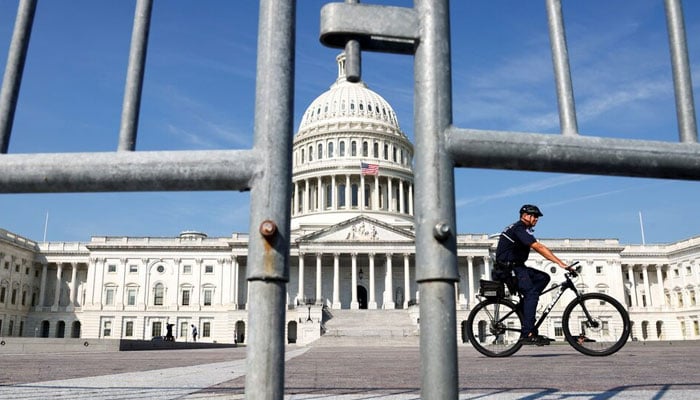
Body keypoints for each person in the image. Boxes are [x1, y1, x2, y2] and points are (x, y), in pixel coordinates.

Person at [495, 204, 571, 346]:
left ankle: (525, 310)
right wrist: (560, 263)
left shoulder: (521, 229)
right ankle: (527, 333)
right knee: (532, 294)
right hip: (509, 269)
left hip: (517, 267)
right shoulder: (519, 228)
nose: (536, 219)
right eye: (534, 216)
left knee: (544, 278)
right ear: (525, 216)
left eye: (537, 217)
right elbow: (538, 247)